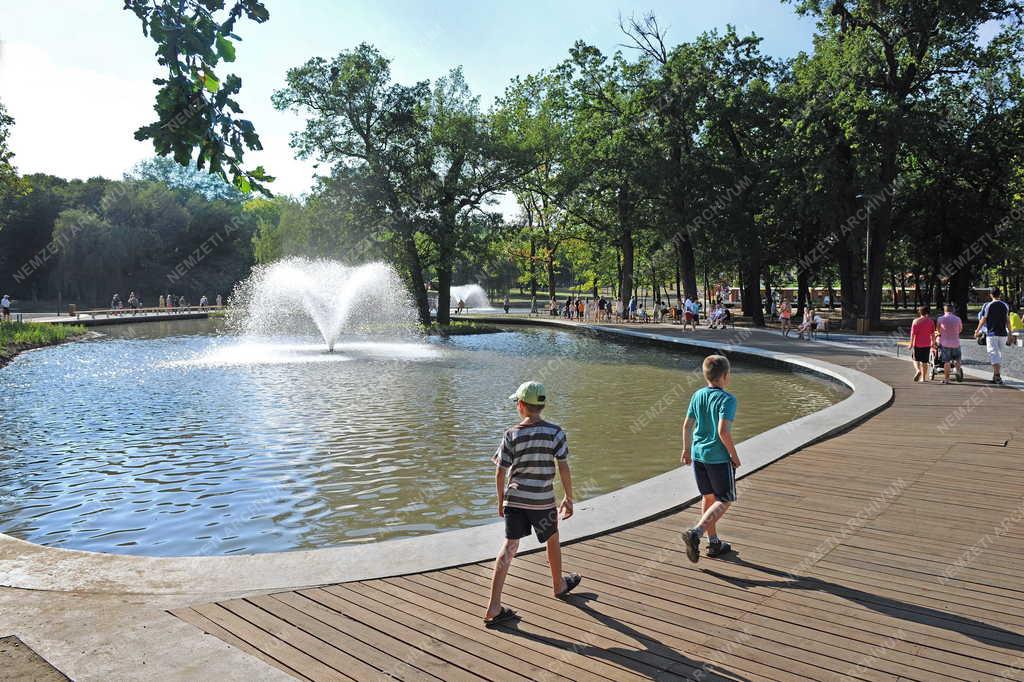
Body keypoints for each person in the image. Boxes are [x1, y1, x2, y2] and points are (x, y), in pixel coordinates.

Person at [484, 381, 580, 627]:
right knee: (552, 538)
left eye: (517, 402)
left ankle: (494, 605)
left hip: (515, 499)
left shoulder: (511, 434)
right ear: (542, 405)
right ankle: (558, 585)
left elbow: (500, 471)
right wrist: (568, 498)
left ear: (522, 406)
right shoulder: (555, 432)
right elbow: (563, 466)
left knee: (509, 546)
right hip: (542, 500)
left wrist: (500, 501)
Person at [680, 355, 741, 563]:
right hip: (718, 457)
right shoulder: (728, 399)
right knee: (726, 499)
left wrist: (686, 450)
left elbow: (687, 425)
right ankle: (696, 533)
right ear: (725, 376)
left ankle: (714, 542)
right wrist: (733, 455)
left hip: (699, 455)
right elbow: (723, 430)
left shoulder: (697, 395)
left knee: (708, 498)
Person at [974, 287, 1010, 384]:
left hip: (992, 333)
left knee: (993, 354)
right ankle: (995, 375)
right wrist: (1010, 333)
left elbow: (983, 319)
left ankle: (997, 376)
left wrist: (977, 330)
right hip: (1003, 334)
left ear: (991, 295)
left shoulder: (988, 305)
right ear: (1000, 295)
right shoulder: (1005, 305)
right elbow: (1008, 321)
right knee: (998, 354)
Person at [936, 304, 963, 384]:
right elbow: (960, 329)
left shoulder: (940, 319)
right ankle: (957, 371)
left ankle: (947, 379)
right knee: (957, 359)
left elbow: (938, 330)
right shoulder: (958, 319)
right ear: (953, 310)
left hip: (945, 343)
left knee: (947, 361)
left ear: (944, 310)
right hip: (956, 343)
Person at [909, 306, 936, 382]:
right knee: (925, 361)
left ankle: (918, 370)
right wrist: (933, 343)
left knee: (915, 359)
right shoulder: (931, 321)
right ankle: (923, 378)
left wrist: (911, 344)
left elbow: (913, 334)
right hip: (927, 344)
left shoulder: (916, 321)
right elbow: (933, 334)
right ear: (927, 312)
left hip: (917, 344)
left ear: (919, 312)